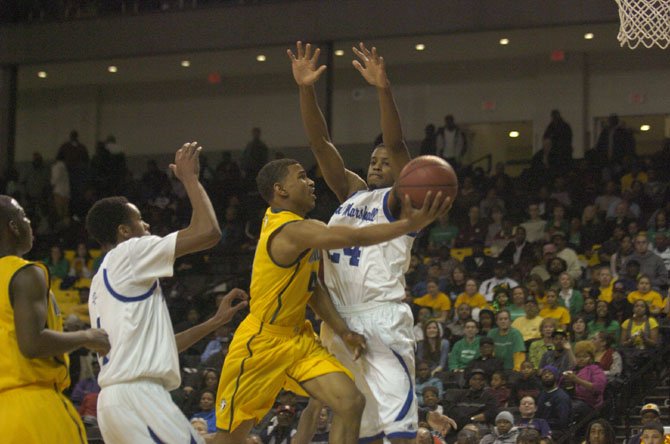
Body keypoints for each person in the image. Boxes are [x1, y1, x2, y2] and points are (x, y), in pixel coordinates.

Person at [287, 42, 451, 444]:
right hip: (337, 322)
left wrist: (382, 89)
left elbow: (397, 148)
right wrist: (305, 89)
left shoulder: (399, 203)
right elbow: (320, 145)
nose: (377, 165)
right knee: (353, 425)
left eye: (384, 163)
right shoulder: (351, 193)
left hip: (380, 319)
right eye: (372, 161)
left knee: (399, 428)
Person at [87, 143, 250, 444]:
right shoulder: (130, 253)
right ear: (124, 231)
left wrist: (214, 322)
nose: (147, 225)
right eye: (139, 220)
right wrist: (190, 179)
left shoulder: (100, 281)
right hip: (140, 398)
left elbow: (162, 348)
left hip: (117, 402)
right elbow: (209, 233)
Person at [0, 195, 110, 443]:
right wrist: (86, 336)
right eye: (24, 216)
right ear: (13, 227)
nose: (30, 223)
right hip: (32, 407)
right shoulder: (24, 272)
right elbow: (32, 344)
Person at [562, 341, 606, 418]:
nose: (581, 359)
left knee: (567, 408)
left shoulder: (596, 369)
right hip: (572, 399)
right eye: (578, 357)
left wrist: (577, 380)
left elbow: (598, 388)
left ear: (591, 357)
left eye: (585, 356)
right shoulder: (573, 369)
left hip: (589, 403)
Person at [535, 366, 572, 433]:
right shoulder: (541, 394)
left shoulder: (562, 397)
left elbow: (562, 422)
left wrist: (541, 424)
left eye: (550, 374)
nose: (546, 375)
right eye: (544, 374)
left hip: (556, 431)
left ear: (556, 377)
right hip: (540, 428)